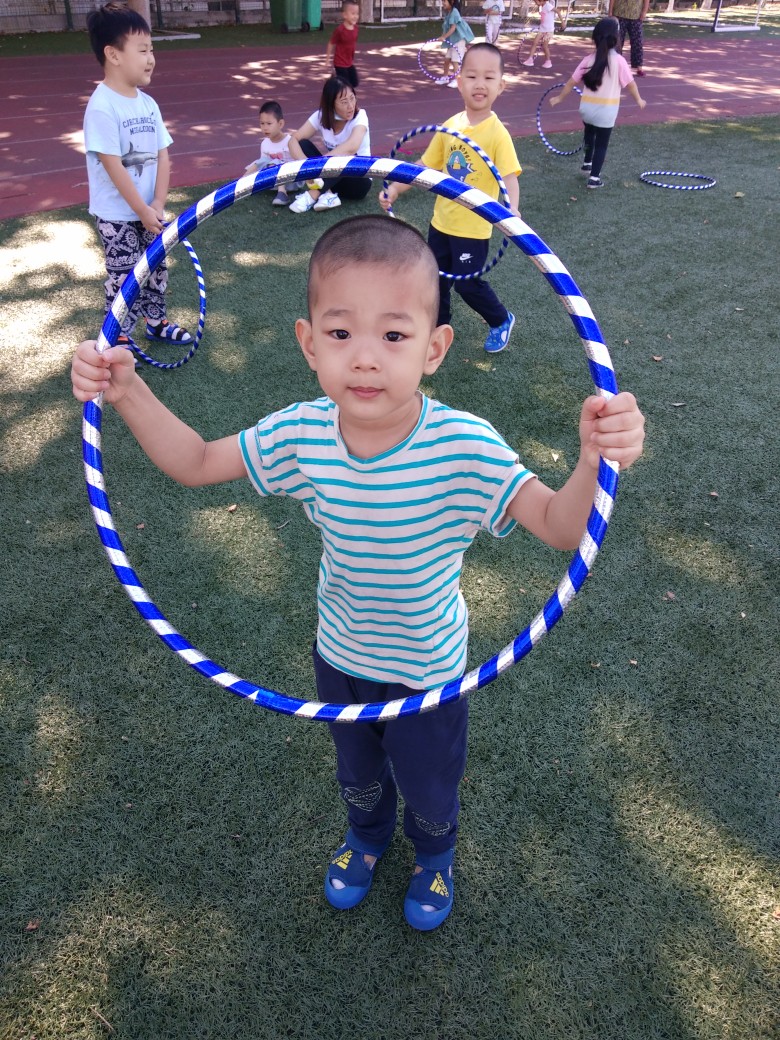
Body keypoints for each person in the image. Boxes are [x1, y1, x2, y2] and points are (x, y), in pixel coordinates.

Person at [70, 213, 646, 932]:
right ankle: (367, 837)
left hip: (428, 671)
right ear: (309, 343)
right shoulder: (302, 433)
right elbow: (196, 462)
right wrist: (126, 391)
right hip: (339, 656)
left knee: (429, 786)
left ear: (435, 348)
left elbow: (561, 527)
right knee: (359, 775)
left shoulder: (464, 448)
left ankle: (434, 855)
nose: (365, 359)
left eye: (394, 336)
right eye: (341, 333)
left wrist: (595, 461)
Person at [380, 43, 520, 355]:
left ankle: (500, 319)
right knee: (435, 279)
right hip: (441, 223)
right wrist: (396, 188)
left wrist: (512, 210)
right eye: (471, 76)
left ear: (501, 85)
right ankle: (439, 327)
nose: (479, 84)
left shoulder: (498, 134)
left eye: (488, 77)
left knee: (468, 285)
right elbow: (425, 167)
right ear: (459, 81)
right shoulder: (450, 127)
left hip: (474, 229)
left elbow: (509, 177)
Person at [83, 2, 192, 347]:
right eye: (142, 50)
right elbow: (113, 166)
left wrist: (157, 202)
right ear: (113, 54)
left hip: (149, 211)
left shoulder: (148, 104)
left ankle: (156, 322)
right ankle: (119, 334)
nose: (151, 58)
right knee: (125, 275)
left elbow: (162, 154)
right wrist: (141, 209)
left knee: (156, 267)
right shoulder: (102, 106)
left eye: (152, 50)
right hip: (117, 216)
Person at [550, 16, 646, 189]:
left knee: (589, 136)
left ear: (595, 38)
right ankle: (594, 178)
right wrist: (639, 99)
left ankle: (587, 163)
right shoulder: (619, 61)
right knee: (601, 144)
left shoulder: (588, 59)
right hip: (606, 112)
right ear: (616, 38)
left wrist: (559, 98)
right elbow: (631, 85)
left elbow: (571, 82)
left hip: (586, 109)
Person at [287, 77, 372, 214]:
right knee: (303, 144)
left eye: (352, 98)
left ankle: (312, 195)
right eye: (344, 102)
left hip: (358, 182)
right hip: (331, 177)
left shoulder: (360, 116)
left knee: (346, 156)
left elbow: (352, 146)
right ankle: (328, 194)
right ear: (331, 104)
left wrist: (320, 164)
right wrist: (306, 167)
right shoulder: (320, 116)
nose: (350, 106)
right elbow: (293, 140)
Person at [243, 100, 302, 207]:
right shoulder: (264, 144)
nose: (265, 127)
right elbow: (262, 164)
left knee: (275, 163)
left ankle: (282, 194)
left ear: (280, 124)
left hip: (292, 181)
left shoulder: (290, 141)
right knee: (261, 162)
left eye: (269, 124)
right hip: (273, 182)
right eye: (262, 123)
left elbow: (298, 163)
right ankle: (240, 183)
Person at [434, 0, 475, 88]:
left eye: (444, 1)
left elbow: (453, 28)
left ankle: (457, 80)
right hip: (453, 41)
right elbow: (447, 28)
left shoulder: (454, 12)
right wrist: (443, 36)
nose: (443, 3)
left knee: (455, 61)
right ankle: (445, 77)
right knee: (447, 60)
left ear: (451, 2)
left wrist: (444, 37)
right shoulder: (450, 13)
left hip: (458, 40)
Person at [608, 0, 650, 77]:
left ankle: (639, 67)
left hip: (636, 15)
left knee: (638, 42)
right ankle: (616, 66)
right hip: (619, 14)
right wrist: (610, 12)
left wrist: (644, 12)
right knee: (617, 42)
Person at [325, 0, 361, 89]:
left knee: (355, 82)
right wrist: (327, 60)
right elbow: (331, 43)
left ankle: (335, 79)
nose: (355, 16)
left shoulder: (356, 29)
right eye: (353, 13)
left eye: (357, 14)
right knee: (345, 86)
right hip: (340, 63)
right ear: (345, 15)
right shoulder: (340, 30)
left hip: (349, 62)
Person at [521, 0, 556, 68]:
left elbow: (557, 11)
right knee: (534, 43)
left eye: (536, 1)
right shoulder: (542, 7)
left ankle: (548, 61)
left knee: (545, 46)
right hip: (542, 29)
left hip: (548, 30)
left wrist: (563, 22)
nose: (535, 3)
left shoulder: (548, 6)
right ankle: (530, 60)